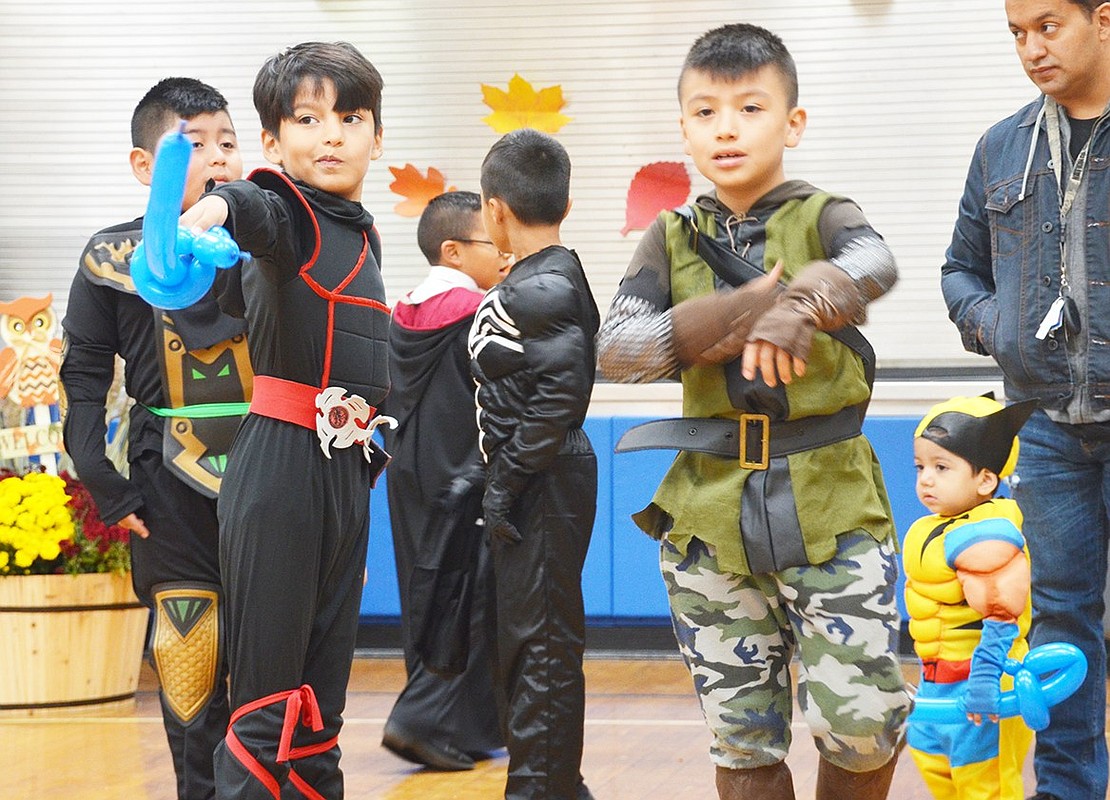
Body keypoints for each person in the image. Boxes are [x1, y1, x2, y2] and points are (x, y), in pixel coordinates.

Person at [596, 23, 911, 800]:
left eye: (749, 107)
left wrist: (803, 300)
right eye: (705, 112)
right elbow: (615, 347)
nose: (726, 128)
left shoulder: (824, 214)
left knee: (865, 727)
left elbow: (874, 262)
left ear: (792, 123)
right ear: (684, 128)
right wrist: (705, 324)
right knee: (742, 740)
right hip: (708, 511)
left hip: (829, 496)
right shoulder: (669, 238)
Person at [177, 41, 391, 799]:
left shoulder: (360, 232)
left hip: (343, 474)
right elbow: (251, 207)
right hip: (280, 475)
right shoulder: (288, 212)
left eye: (349, 116)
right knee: (268, 709)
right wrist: (213, 202)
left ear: (376, 135)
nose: (329, 134)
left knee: (318, 716)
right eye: (307, 118)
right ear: (273, 141)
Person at [59, 77, 250, 800]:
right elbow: (83, 374)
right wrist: (99, 477)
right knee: (187, 657)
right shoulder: (110, 259)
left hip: (273, 472)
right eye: (196, 144)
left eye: (229, 142)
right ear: (147, 166)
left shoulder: (270, 241)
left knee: (274, 669)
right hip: (165, 484)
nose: (219, 158)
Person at [940, 2, 1110, 798]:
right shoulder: (1001, 146)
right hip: (1044, 425)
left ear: (1102, 18)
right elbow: (959, 269)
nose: (1030, 48)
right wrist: (995, 325)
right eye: (1016, 33)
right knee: (1064, 625)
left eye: (1047, 25)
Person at [468, 128, 600, 800]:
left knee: (542, 651)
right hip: (537, 476)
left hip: (544, 481)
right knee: (529, 649)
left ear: (494, 209)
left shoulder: (543, 284)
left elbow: (561, 395)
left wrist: (507, 482)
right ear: (566, 202)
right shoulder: (536, 278)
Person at [380, 190, 508, 771]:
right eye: (493, 242)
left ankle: (456, 726)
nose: (504, 252)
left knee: (425, 595)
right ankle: (421, 721)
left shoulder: (403, 309)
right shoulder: (475, 311)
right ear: (454, 251)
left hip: (409, 471)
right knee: (466, 599)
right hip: (462, 474)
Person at [904, 395, 1038, 800]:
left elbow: (1000, 612)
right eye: (921, 467)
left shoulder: (988, 532)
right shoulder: (935, 526)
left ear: (985, 479)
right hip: (936, 685)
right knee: (941, 776)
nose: (926, 478)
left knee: (985, 790)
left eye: (942, 467)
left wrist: (984, 680)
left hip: (984, 684)